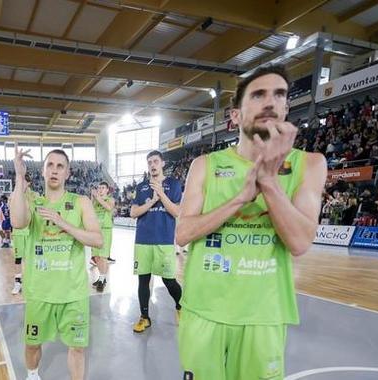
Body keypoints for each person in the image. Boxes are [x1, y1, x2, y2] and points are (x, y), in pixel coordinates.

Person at [175, 64, 327, 380]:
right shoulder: (205, 165)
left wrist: (268, 182)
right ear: (235, 115)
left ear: (287, 108)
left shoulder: (310, 164)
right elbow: (183, 233)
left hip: (264, 316)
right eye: (258, 95)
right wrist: (238, 200)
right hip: (204, 311)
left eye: (279, 95)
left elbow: (299, 243)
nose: (270, 102)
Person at [10, 148, 102, 380]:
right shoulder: (33, 201)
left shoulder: (80, 202)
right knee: (32, 345)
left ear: (68, 173)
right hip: (40, 292)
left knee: (78, 348)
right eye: (50, 165)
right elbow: (17, 221)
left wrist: (63, 223)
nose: (54, 170)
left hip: (74, 293)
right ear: (42, 171)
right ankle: (32, 375)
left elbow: (97, 239)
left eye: (60, 166)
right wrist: (20, 177)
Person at [129, 150, 183, 333]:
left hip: (164, 240)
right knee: (143, 280)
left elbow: (177, 212)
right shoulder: (141, 187)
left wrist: (161, 194)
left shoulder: (173, 184)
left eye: (155, 161)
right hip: (143, 240)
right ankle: (144, 317)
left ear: (162, 164)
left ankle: (181, 306)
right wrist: (152, 201)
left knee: (169, 280)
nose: (152, 165)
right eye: (149, 162)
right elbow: (133, 212)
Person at [11, 173, 35, 295]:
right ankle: (18, 283)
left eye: (22, 181)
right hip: (19, 233)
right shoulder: (14, 195)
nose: (19, 183)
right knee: (18, 259)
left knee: (31, 259)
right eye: (17, 180)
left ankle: (33, 281)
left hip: (32, 232)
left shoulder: (34, 196)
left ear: (28, 183)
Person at [90, 181, 115, 292]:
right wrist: (92, 197)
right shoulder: (95, 201)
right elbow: (89, 211)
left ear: (107, 190)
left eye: (102, 187)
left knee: (103, 257)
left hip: (105, 231)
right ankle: (101, 278)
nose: (100, 189)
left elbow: (108, 208)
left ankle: (103, 279)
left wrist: (97, 198)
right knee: (96, 257)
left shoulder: (110, 200)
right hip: (95, 231)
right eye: (99, 187)